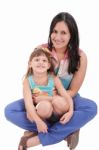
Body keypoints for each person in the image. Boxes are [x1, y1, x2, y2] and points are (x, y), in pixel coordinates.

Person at [4, 12, 97, 150]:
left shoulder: (80, 57)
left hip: (65, 99)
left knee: (91, 107)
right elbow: (29, 81)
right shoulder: (40, 50)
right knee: (10, 111)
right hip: (38, 97)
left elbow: (73, 90)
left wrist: (52, 99)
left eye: (63, 33)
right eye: (55, 31)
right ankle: (66, 131)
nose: (57, 37)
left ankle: (37, 137)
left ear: (72, 35)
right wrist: (36, 104)